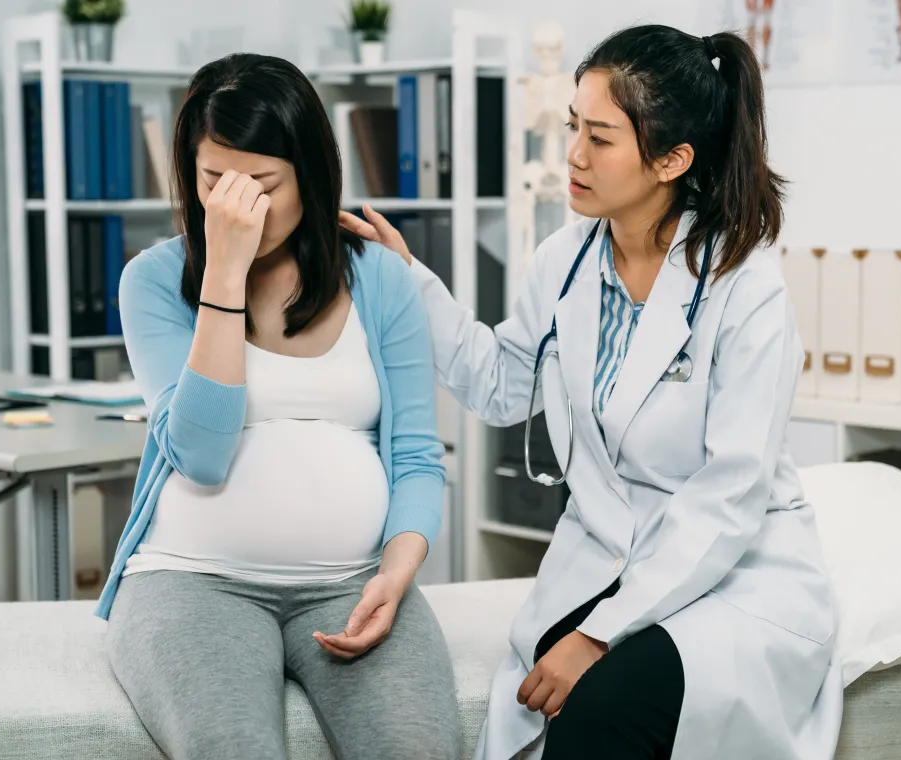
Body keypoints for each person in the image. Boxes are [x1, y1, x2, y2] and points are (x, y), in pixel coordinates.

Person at [341, 24, 842, 760]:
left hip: (733, 576)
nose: (572, 154)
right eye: (574, 125)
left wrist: (599, 632)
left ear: (672, 159)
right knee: (544, 698)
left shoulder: (744, 284)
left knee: (600, 712)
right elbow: (503, 385)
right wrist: (411, 279)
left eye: (600, 137)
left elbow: (729, 497)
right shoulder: (564, 260)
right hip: (604, 557)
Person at [95, 53, 460, 760]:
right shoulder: (154, 280)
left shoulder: (381, 279)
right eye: (214, 182)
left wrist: (396, 572)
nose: (239, 205)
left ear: (310, 176)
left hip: (351, 582)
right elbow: (199, 454)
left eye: (262, 184)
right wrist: (224, 272)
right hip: (193, 582)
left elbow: (417, 454)